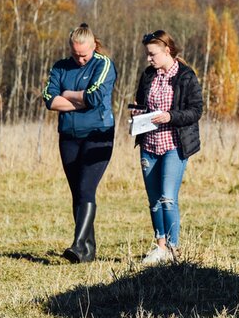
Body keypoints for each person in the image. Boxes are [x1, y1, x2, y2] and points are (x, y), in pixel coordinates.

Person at [42, 23, 116, 263]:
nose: (81, 60)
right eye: (76, 55)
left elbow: (95, 97)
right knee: (78, 192)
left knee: (86, 188)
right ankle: (88, 251)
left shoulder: (103, 64)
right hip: (68, 137)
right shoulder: (60, 67)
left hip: (98, 134)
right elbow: (50, 100)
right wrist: (78, 99)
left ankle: (77, 244)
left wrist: (68, 95)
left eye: (84, 55)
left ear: (94, 46)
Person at [133, 30, 203, 264]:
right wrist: (137, 112)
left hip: (174, 144)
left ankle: (174, 249)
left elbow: (196, 111)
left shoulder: (185, 76)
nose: (149, 59)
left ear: (167, 51)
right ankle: (159, 245)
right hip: (149, 145)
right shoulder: (148, 75)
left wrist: (170, 116)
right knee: (153, 199)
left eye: (152, 54)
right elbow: (143, 105)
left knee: (167, 198)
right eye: (147, 54)